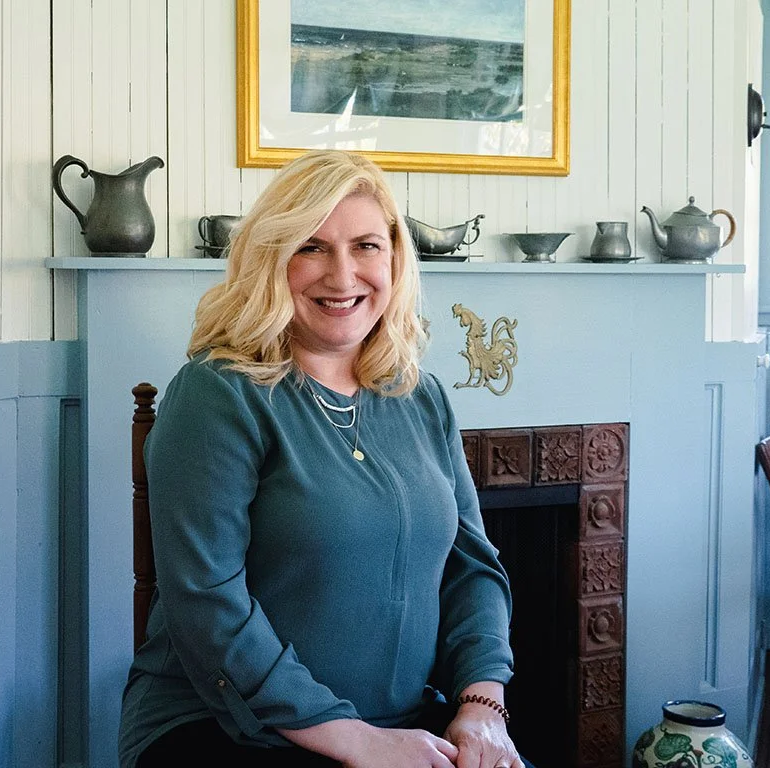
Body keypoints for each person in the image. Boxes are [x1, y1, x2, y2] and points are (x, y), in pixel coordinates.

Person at [118, 148, 532, 768]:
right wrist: (359, 742)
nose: (343, 275)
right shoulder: (217, 392)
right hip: (223, 725)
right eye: (311, 247)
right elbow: (207, 604)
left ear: (394, 258)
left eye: (366, 245)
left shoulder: (422, 396)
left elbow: (471, 569)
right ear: (271, 261)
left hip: (401, 726)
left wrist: (480, 705)